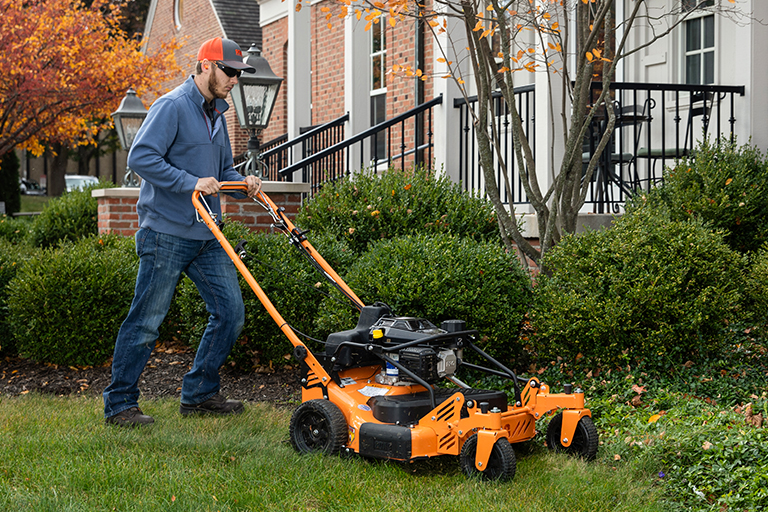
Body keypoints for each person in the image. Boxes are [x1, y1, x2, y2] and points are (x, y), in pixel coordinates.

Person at [103, 37, 262, 427]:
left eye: (239, 74)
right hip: (166, 233)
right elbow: (141, 157)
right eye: (230, 72)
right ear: (206, 66)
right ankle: (120, 404)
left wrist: (244, 182)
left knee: (230, 313)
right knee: (146, 321)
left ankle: (200, 394)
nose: (235, 81)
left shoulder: (217, 116)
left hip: (208, 233)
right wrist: (189, 181)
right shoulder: (172, 106)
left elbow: (221, 171)